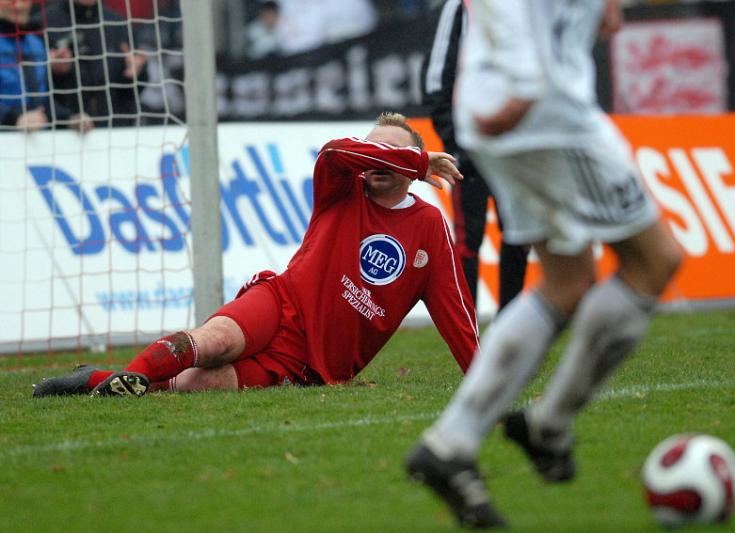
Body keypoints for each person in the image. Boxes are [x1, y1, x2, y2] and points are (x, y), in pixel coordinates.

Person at [406, 0, 683, 528]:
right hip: (544, 108)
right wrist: (527, 84)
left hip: (521, 106)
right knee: (654, 261)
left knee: (568, 281)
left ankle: (452, 445)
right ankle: (547, 426)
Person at [34, 112, 480, 397]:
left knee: (198, 384)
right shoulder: (341, 185)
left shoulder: (429, 227)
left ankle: (96, 380)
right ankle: (120, 385)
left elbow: (456, 313)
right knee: (215, 343)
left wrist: (485, 381)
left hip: (311, 364)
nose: (381, 160)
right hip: (280, 303)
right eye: (377, 150)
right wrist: (411, 160)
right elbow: (336, 151)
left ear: (414, 163)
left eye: (396, 153)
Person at [421, 0, 528, 312]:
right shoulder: (460, 6)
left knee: (520, 232)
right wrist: (455, 139)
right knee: (468, 240)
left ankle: (511, 324)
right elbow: (436, 77)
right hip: (472, 148)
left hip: (518, 147)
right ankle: (468, 329)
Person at [42, 0, 149, 128]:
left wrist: (135, 74)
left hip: (114, 130)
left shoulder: (116, 22)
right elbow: (34, 89)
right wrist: (56, 73)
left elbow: (131, 92)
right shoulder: (45, 22)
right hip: (63, 131)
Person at [0, 0, 91, 132]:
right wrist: (15, 118)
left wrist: (68, 118)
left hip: (36, 137)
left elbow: (42, 100)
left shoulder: (35, 42)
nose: (19, 5)